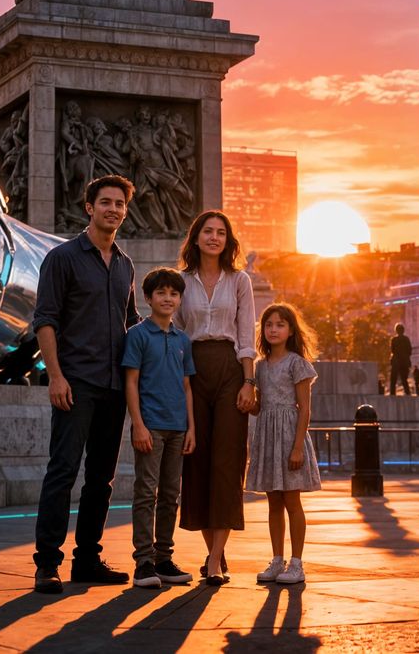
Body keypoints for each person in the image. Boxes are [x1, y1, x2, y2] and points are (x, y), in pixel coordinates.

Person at [31, 175, 141, 594]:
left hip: (114, 387)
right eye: (106, 202)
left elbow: (131, 323)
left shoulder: (126, 265)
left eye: (119, 204)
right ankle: (47, 563)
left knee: (101, 479)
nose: (113, 209)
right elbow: (45, 320)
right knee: (62, 471)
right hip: (75, 382)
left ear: (125, 211)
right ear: (89, 208)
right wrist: (55, 376)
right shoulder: (62, 258)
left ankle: (88, 560)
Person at [174, 210, 257, 583]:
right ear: (195, 238)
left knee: (227, 461)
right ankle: (214, 553)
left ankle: (213, 561)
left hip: (229, 369)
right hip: (192, 369)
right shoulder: (181, 282)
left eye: (221, 232)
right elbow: (176, 331)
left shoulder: (239, 281)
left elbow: (246, 335)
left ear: (228, 240)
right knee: (198, 460)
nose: (214, 237)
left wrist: (248, 382)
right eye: (207, 231)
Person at [123, 268, 196, 589]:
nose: (168, 299)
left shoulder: (183, 340)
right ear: (148, 298)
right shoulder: (137, 335)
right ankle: (144, 562)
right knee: (145, 493)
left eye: (174, 294)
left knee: (170, 495)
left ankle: (164, 558)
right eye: (161, 293)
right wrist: (138, 425)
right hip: (150, 426)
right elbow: (131, 382)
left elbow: (187, 386)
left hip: (178, 428)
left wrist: (191, 428)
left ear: (180, 300)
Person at [247, 303, 321, 586]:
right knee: (273, 502)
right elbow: (260, 406)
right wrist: (248, 403)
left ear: (291, 331)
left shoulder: (296, 363)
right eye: (268, 325)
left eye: (280, 324)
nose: (273, 329)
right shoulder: (260, 366)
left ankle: (297, 563)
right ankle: (277, 560)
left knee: (292, 501)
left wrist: (298, 447)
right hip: (268, 437)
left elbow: (305, 409)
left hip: (290, 436)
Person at [387, 324, 412, 395]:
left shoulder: (394, 339)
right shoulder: (406, 339)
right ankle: (407, 393)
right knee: (404, 379)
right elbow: (409, 351)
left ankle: (392, 393)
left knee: (393, 379)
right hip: (404, 362)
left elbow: (392, 350)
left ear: (396, 330)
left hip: (396, 362)